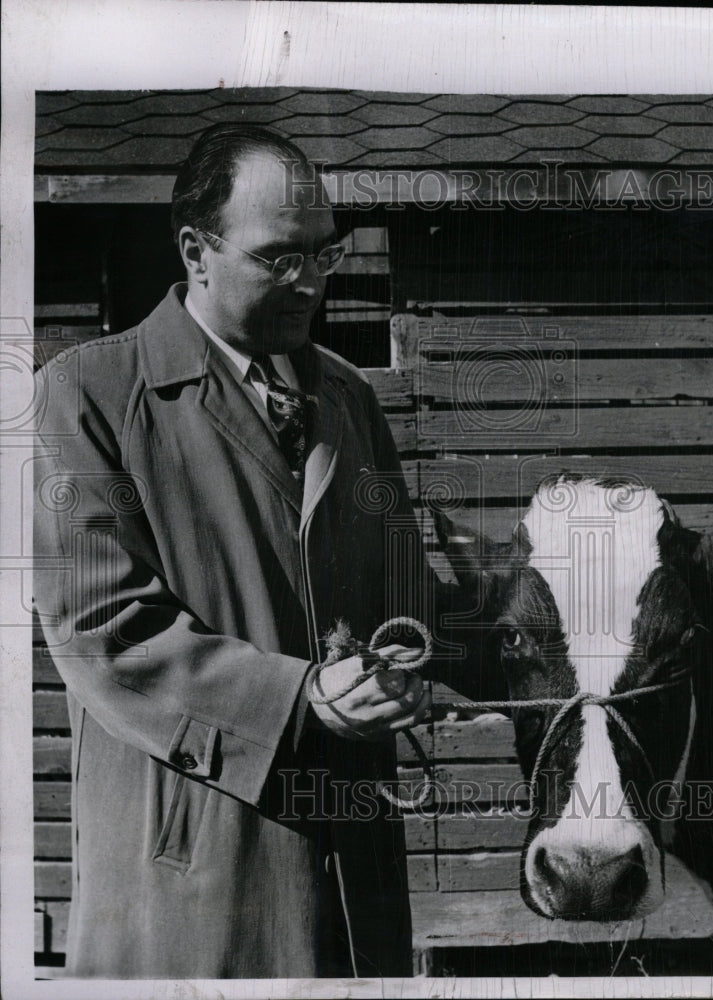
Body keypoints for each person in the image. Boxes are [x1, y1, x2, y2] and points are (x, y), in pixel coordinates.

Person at [32, 123, 433, 979]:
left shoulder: (347, 394)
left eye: (324, 255)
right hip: (195, 864)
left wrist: (420, 651)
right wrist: (301, 698)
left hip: (353, 862)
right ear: (196, 251)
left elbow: (404, 586)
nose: (311, 284)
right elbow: (105, 630)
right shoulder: (86, 394)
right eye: (279, 259)